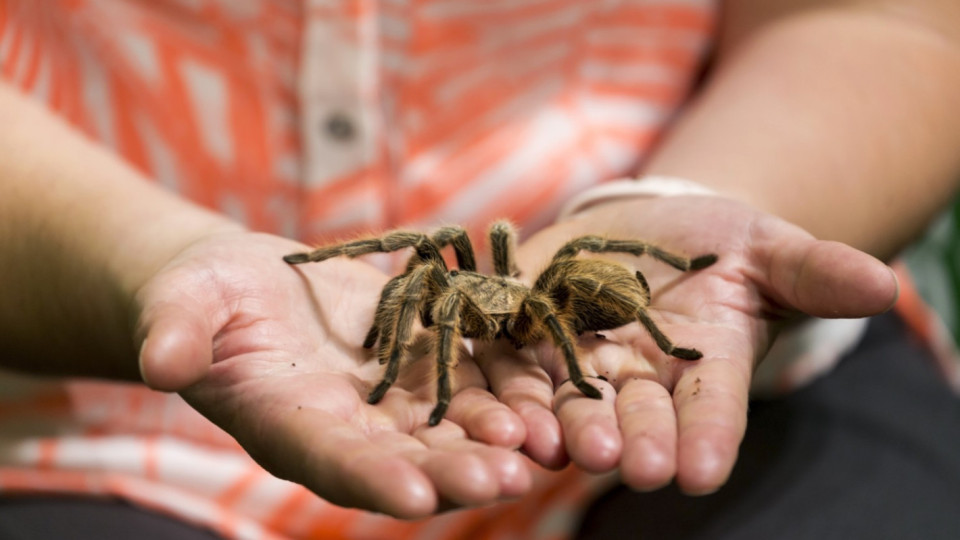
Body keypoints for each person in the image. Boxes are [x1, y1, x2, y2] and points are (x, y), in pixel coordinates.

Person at [0, 0, 958, 538]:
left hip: (749, 389)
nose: (445, 302)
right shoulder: (489, 284)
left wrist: (672, 203)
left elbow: (890, 23)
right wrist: (152, 257)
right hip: (95, 444)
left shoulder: (536, 283)